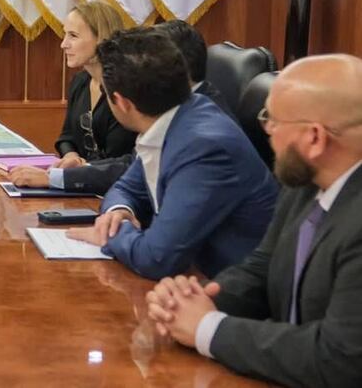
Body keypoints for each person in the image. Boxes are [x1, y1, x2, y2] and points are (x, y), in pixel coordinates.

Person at [146, 54, 362, 387]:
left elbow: (340, 359)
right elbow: (262, 269)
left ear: (315, 138)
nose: (267, 131)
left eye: (272, 120)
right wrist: (197, 301)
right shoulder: (306, 182)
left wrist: (207, 328)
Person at [66, 28, 277, 280]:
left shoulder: (205, 147)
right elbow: (126, 187)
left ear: (121, 103)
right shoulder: (177, 116)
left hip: (224, 290)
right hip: (188, 280)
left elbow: (157, 259)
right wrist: (119, 211)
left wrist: (112, 234)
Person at [10, 18, 231, 194]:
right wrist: (120, 208)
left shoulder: (203, 132)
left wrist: (56, 178)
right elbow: (134, 170)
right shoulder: (175, 107)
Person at [8, 1, 133, 190]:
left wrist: (69, 173)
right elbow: (66, 137)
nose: (63, 44)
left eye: (73, 36)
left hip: (115, 189)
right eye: (65, 34)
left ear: (102, 39)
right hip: (80, 185)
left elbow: (122, 161)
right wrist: (70, 156)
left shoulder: (126, 89)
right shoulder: (80, 82)